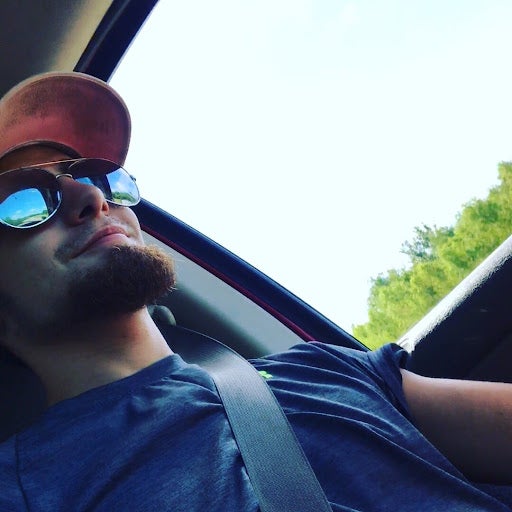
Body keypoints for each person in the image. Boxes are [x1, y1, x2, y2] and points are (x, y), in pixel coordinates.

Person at [0, 72, 511, 512]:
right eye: (24, 199)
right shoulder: (24, 490)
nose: (92, 196)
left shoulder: (322, 367)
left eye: (97, 176)